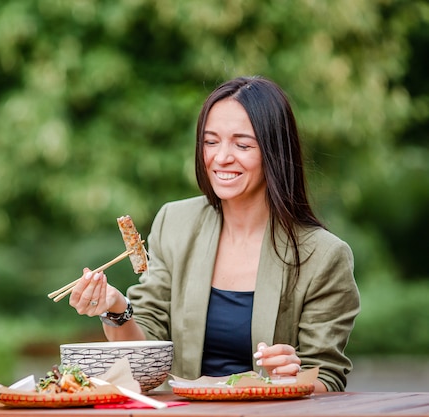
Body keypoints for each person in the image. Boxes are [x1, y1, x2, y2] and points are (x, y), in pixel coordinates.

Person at [68, 75, 361, 392]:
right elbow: (143, 361)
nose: (221, 157)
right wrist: (115, 308)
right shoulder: (176, 223)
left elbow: (327, 378)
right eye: (210, 142)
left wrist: (290, 378)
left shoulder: (323, 255)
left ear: (275, 150)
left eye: (242, 144)